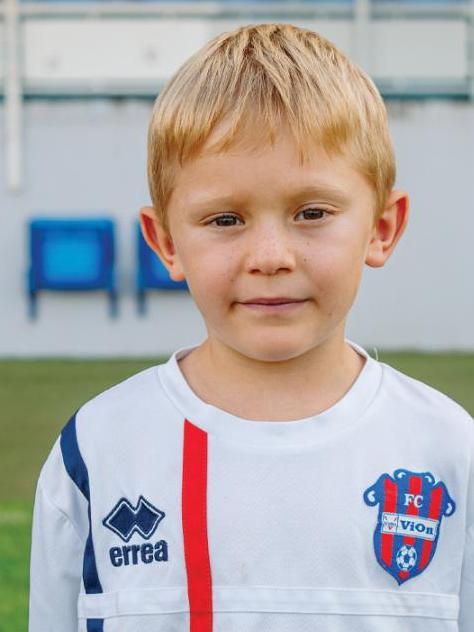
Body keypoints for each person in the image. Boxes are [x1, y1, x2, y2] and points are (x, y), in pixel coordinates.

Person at [29, 22, 474, 632]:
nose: (270, 256)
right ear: (166, 242)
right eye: (225, 219)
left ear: (382, 227)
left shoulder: (448, 449)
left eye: (311, 213)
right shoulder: (99, 449)